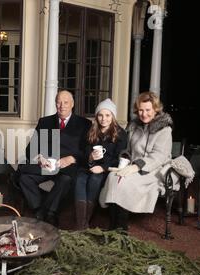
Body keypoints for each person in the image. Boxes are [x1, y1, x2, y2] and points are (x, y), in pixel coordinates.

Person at [99, 91, 173, 231]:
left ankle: (121, 229)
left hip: (153, 169)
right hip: (132, 166)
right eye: (140, 110)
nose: (144, 114)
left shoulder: (164, 130)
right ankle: (113, 225)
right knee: (113, 177)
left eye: (147, 110)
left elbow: (159, 156)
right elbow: (127, 149)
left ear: (155, 109)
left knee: (125, 183)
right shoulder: (133, 126)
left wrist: (136, 167)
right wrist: (125, 159)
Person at [18, 90, 92, 226]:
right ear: (55, 104)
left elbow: (87, 152)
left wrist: (71, 159)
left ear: (72, 104)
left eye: (66, 102)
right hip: (46, 166)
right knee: (24, 178)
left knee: (65, 180)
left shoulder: (84, 124)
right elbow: (30, 149)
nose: (62, 106)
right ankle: (39, 210)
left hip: (67, 168)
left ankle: (50, 213)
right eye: (59, 102)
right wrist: (39, 157)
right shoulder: (45, 122)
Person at [74, 99, 127, 230]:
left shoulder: (120, 134)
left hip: (106, 169)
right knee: (79, 179)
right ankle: (82, 225)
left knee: (95, 180)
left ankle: (85, 221)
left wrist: (102, 168)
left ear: (113, 116)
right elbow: (83, 151)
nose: (104, 119)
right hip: (88, 166)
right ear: (96, 116)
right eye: (100, 115)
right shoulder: (91, 131)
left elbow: (119, 158)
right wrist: (90, 157)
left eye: (108, 115)